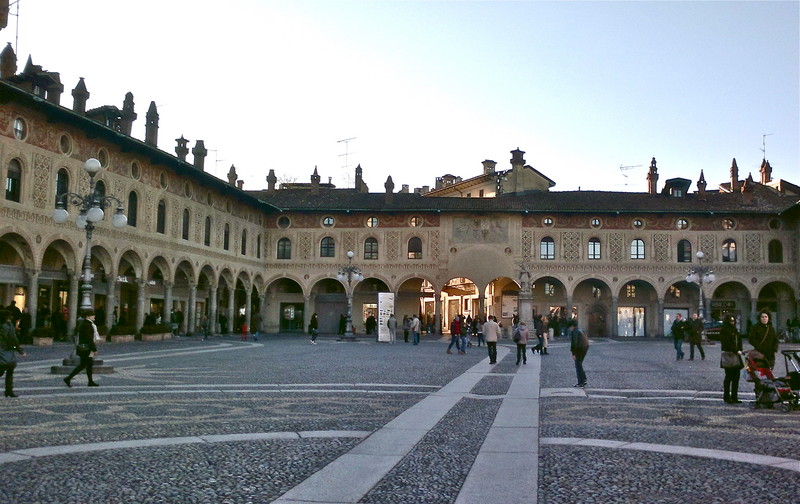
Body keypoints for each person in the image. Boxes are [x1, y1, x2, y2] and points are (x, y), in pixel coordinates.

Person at [64, 309, 100, 387]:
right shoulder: (87, 324)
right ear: (88, 316)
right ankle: (68, 378)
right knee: (83, 365)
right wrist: (94, 349)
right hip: (86, 348)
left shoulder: (86, 323)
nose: (94, 316)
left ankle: (90, 381)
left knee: (88, 365)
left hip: (86, 347)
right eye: (92, 315)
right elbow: (89, 338)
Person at [0, 309, 26, 397]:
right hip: (6, 350)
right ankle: (9, 390)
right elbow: (13, 339)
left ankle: (9, 391)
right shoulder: (8, 326)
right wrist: (20, 350)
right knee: (9, 369)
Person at [719, 315, 743, 404]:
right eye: (731, 321)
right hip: (729, 355)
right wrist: (736, 350)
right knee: (728, 377)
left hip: (736, 355)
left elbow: (739, 340)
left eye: (733, 321)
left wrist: (740, 349)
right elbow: (726, 343)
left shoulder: (735, 330)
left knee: (736, 377)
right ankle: (726, 397)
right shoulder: (724, 330)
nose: (732, 322)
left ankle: (734, 397)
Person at [569, 319, 589, 388]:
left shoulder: (574, 332)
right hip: (584, 348)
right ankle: (583, 379)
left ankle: (581, 382)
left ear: (571, 326)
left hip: (579, 350)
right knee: (579, 364)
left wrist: (573, 353)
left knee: (578, 365)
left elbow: (574, 343)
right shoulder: (581, 330)